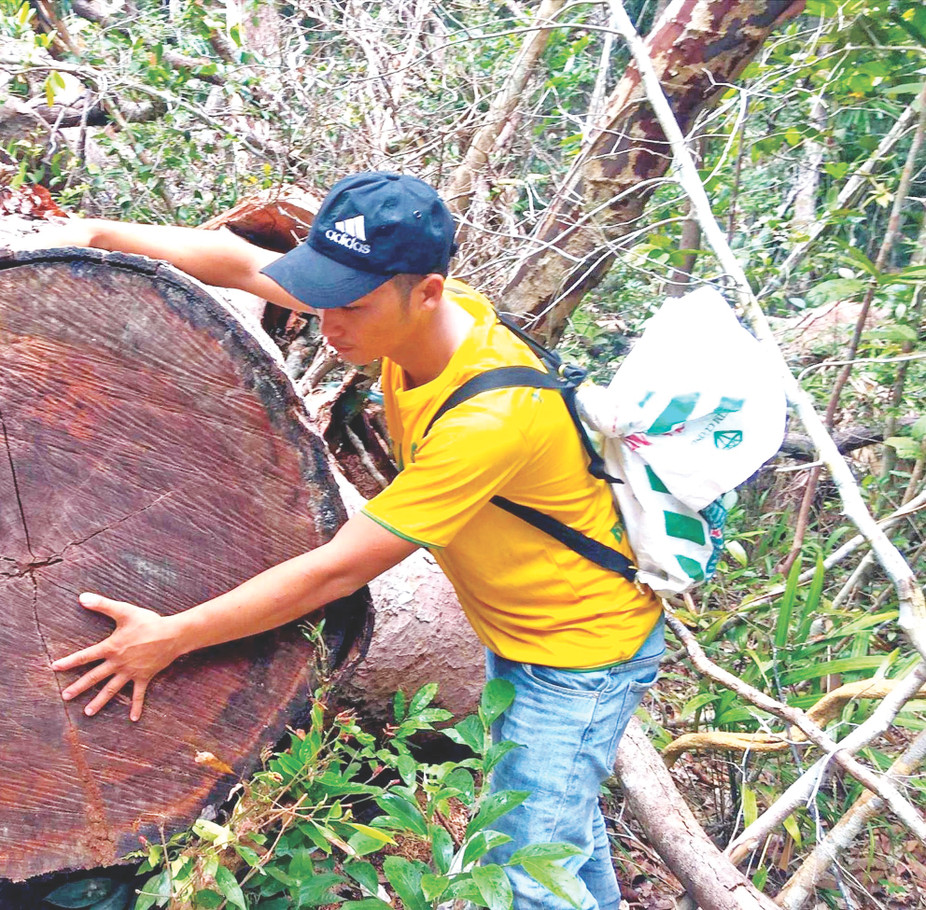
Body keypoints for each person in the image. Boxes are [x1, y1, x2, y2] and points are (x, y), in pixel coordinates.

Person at [48, 172, 664, 910]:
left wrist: (171, 636)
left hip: (579, 656)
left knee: (526, 873)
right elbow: (243, 264)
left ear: (427, 291)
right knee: (557, 837)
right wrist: (93, 234)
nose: (327, 321)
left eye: (350, 304)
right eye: (323, 293)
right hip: (525, 635)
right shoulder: (418, 315)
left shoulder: (491, 420)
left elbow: (337, 572)